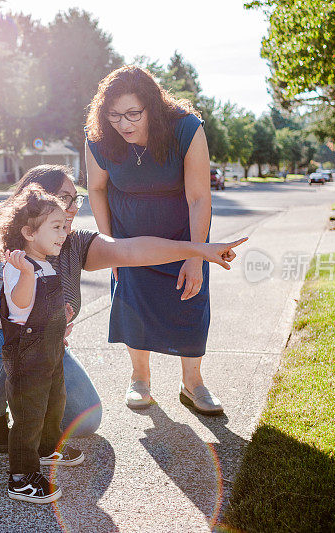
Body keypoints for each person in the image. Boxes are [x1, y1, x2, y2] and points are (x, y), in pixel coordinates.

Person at [0, 165, 244, 453]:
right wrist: (29, 310)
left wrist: (198, 249)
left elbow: (132, 248)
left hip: (42, 342)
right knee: (12, 348)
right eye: (62, 198)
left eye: (74, 199)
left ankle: (24, 400)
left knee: (85, 418)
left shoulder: (76, 245)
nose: (70, 208)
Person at [85, 65, 220, 414]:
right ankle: (140, 379)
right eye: (115, 115)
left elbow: (199, 198)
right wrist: (110, 246)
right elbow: (97, 189)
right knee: (133, 304)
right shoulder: (100, 137)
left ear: (152, 106)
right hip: (128, 237)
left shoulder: (185, 128)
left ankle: (193, 383)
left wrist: (196, 256)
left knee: (190, 300)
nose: (124, 124)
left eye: (133, 113)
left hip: (184, 234)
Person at [0, 185, 85, 503]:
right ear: (29, 233)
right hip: (27, 356)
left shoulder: (45, 262)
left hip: (50, 350)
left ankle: (47, 448)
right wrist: (27, 275)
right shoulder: (16, 267)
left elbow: (42, 306)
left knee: (53, 402)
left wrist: (62, 313)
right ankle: (21, 476)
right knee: (29, 414)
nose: (64, 232)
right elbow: (19, 307)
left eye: (64, 226)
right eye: (56, 227)